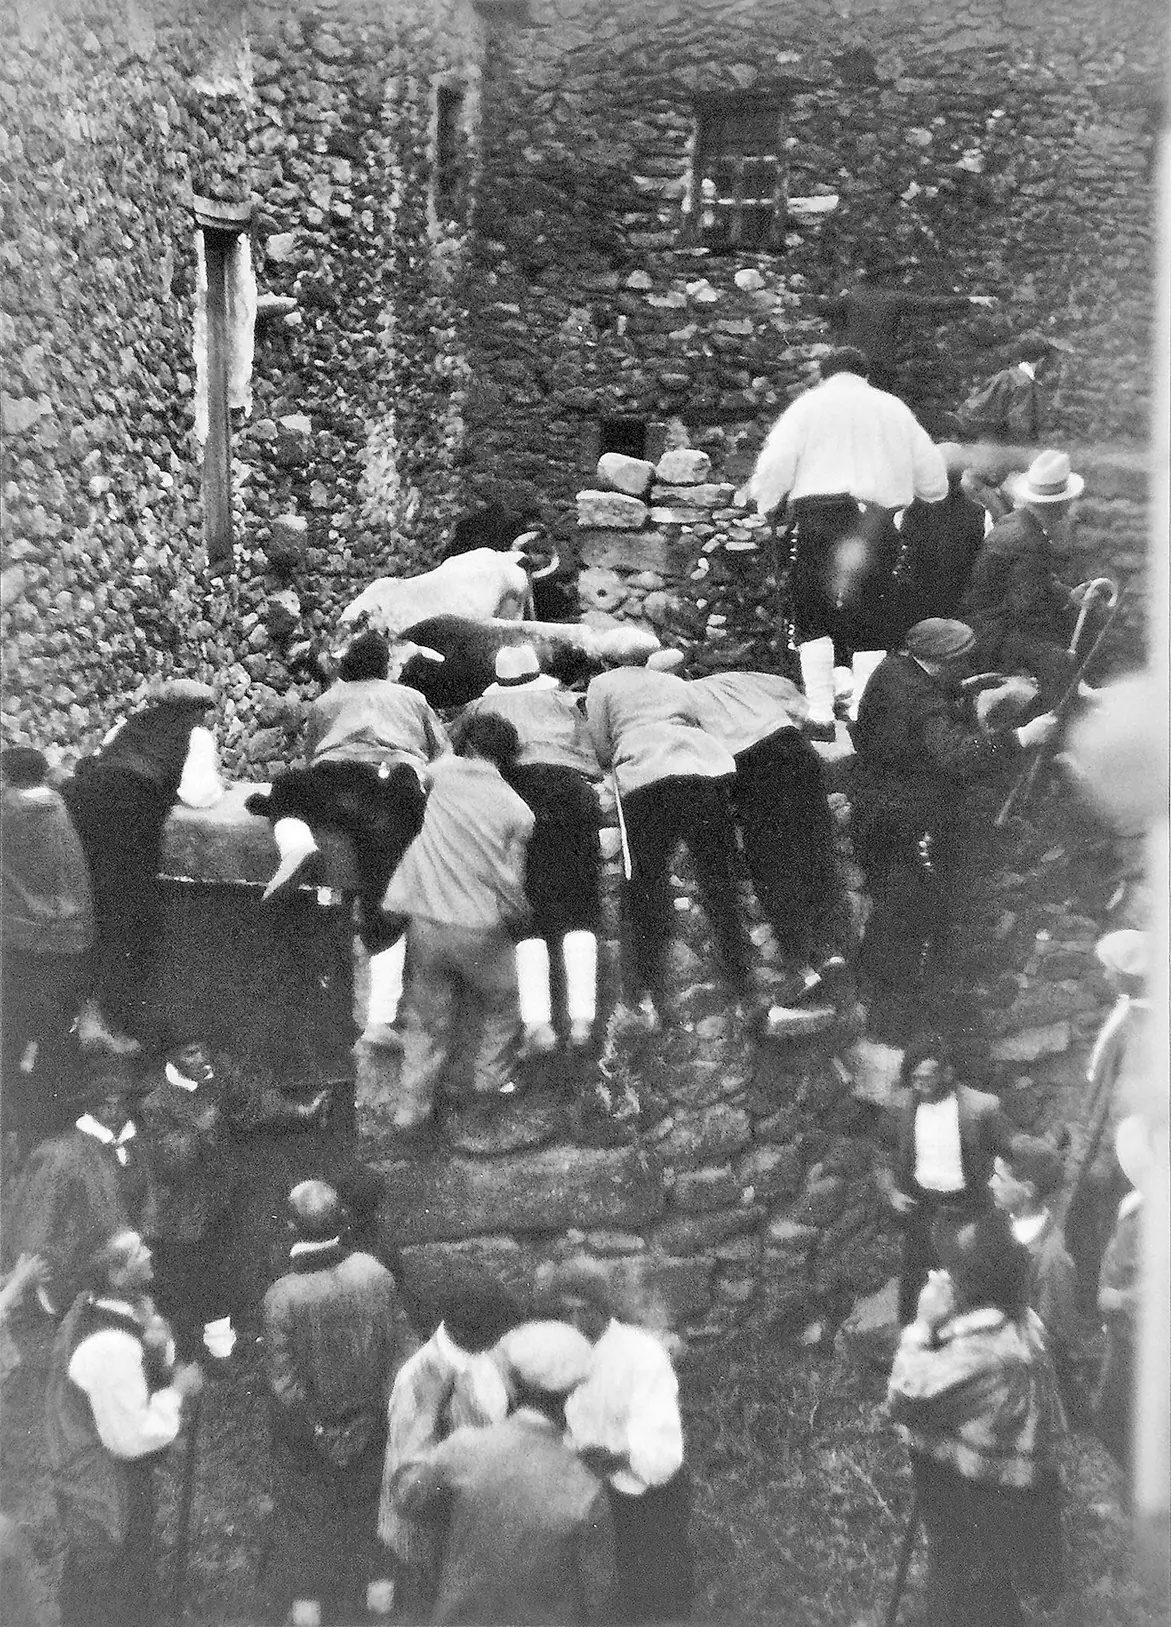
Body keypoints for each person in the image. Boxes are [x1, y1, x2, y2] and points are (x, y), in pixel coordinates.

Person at [850, 617, 1055, 1041]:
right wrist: (1021, 738)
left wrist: (968, 690)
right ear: (941, 662)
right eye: (960, 662)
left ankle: (874, 990)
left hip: (877, 804)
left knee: (896, 907)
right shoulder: (921, 702)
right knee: (913, 911)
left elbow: (927, 706)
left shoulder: (894, 669)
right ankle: (894, 1018)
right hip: (906, 819)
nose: (963, 668)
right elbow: (957, 756)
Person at [246, 629, 450, 1046]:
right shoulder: (411, 698)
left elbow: (310, 755)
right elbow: (441, 755)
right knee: (384, 888)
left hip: (334, 780)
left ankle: (297, 844)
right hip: (393, 783)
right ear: (384, 667)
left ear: (347, 666)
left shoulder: (326, 701)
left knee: (286, 788)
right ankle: (380, 1019)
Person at [747, 347, 948, 733]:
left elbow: (778, 461)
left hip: (821, 520)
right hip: (875, 523)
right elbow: (933, 479)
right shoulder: (893, 409)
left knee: (812, 609)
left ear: (826, 375)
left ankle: (820, 713)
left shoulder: (809, 407)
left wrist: (768, 503)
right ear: (865, 374)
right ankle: (860, 713)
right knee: (871, 612)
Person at [886, 1209, 1068, 1627]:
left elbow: (904, 1398)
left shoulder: (981, 1353)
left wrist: (923, 1326)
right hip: (1015, 1486)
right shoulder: (1021, 1318)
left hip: (978, 1492)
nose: (938, 1274)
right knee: (982, 1582)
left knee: (969, 1586)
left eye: (949, 1268)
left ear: (971, 1282)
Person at [260, 1179, 416, 1625]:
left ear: (292, 1228)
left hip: (312, 1435)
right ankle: (379, 1607)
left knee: (309, 1521)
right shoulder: (374, 1273)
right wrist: (376, 1414)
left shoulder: (282, 1296)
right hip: (373, 1422)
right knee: (372, 1512)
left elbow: (283, 1383)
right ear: (341, 1222)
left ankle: (309, 1614)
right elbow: (405, 1351)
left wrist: (319, 1431)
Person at [585, 649, 762, 1033]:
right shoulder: (673, 682)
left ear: (605, 661)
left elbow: (601, 747)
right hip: (703, 773)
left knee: (643, 886)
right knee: (720, 884)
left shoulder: (602, 685)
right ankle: (745, 986)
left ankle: (644, 995)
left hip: (646, 778)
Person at [397, 1318, 619, 1625]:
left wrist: (426, 1413)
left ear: (511, 1383)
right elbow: (601, 1602)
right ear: (571, 1394)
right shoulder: (585, 1489)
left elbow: (408, 1496)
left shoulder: (465, 1451)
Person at [383, 714, 534, 1145]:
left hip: (427, 922)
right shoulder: (518, 812)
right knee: (505, 1001)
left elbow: (412, 766)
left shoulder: (442, 776)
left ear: (466, 742)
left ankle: (411, 1113)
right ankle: (484, 1091)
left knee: (427, 1020)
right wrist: (522, 917)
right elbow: (511, 881)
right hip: (480, 930)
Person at [45, 1227, 204, 1627]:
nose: (150, 1253)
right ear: (116, 1276)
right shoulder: (110, 1346)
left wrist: (155, 1341)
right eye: (138, 1253)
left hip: (103, 1475)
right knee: (112, 1582)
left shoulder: (101, 1307)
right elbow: (131, 1439)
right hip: (103, 1486)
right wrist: (178, 1394)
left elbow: (142, 1358)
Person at [460, 643, 605, 1055]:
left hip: (513, 795)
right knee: (580, 909)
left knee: (527, 914)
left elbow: (458, 757)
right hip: (569, 791)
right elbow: (596, 754)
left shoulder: (476, 710)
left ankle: (538, 1023)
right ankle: (581, 1020)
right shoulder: (567, 702)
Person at [61, 678, 223, 1044]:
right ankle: (110, 1024)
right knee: (129, 918)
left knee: (91, 908)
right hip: (128, 813)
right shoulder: (195, 736)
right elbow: (197, 793)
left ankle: (79, 1015)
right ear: (199, 710)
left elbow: (99, 759)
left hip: (81, 805)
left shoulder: (127, 724)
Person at [685, 667, 851, 1020]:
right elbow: (799, 704)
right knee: (816, 852)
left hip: (752, 764)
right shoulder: (744, 678)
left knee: (772, 864)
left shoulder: (681, 695)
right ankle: (833, 950)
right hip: (794, 749)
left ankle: (801, 964)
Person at [540, 1258, 692, 1624]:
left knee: (653, 1606)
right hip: (589, 1498)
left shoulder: (642, 1357)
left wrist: (615, 1458)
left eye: (583, 1312)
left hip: (645, 1501)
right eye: (565, 1313)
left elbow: (662, 1453)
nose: (572, 1323)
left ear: (604, 1309)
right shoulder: (559, 1354)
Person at [378, 1273, 530, 1617]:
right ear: (471, 1335)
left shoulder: (488, 1360)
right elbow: (409, 1485)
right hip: (427, 1540)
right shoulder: (416, 1381)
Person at [10, 1053, 155, 1318]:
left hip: (127, 1273)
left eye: (121, 1102)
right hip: (75, 1281)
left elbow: (149, 1205)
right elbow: (35, 1231)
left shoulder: (137, 1146)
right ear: (89, 1104)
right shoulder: (61, 1155)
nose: (113, 1110)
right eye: (104, 1103)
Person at [0, 744, 94, 1153]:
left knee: (11, 1035)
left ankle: (11, 1124)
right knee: (55, 1036)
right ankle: (46, 1128)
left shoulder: (7, 813)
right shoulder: (58, 809)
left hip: (19, 942)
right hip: (66, 941)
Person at [882, 1033, 1009, 1325]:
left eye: (928, 1077)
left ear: (947, 1073)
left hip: (967, 1206)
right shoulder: (901, 1107)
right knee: (916, 1285)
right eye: (915, 1079)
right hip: (922, 1207)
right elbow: (881, 1154)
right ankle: (914, 1350)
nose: (921, 1085)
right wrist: (891, 1191)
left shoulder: (981, 1108)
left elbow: (1006, 1153)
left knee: (966, 1281)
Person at [958, 448, 1100, 707]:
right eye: (1068, 502)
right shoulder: (1031, 541)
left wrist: (1068, 594)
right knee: (1058, 659)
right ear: (1059, 505)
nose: (1070, 508)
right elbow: (1027, 607)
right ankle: (1053, 715)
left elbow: (1033, 583)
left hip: (984, 618)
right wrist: (1063, 611)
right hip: (990, 630)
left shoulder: (1016, 521)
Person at [1067, 929, 1152, 1302]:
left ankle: (1107, 1300)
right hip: (1112, 1147)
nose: (1103, 975)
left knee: (1110, 1226)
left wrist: (1098, 1154)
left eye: (1109, 969)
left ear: (1128, 975)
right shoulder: (1127, 1007)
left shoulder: (1143, 1026)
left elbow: (1116, 1100)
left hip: (1124, 1151)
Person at [990, 1132, 1087, 1419]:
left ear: (1027, 1190)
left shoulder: (1050, 1260)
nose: (990, 1183)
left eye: (1000, 1178)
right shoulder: (1002, 1221)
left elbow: (1053, 1336)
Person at [818, 261, 995, 396]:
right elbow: (930, 304)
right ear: (884, 279)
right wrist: (970, 300)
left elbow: (825, 309)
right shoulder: (893, 298)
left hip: (854, 362)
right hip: (882, 362)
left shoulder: (852, 297)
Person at [1092, 1114, 1150, 1495]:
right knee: (1114, 1416)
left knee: (1112, 1417)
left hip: (1142, 1336)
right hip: (1124, 1332)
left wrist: (1120, 1298)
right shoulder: (1136, 1204)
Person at [884, 443, 990, 641]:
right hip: (959, 617)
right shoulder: (981, 516)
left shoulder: (904, 515)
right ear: (960, 476)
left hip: (912, 617)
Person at [956, 333, 1066, 445]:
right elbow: (1019, 427)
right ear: (1042, 361)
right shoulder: (1020, 383)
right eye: (1051, 362)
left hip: (992, 445)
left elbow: (968, 412)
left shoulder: (1012, 378)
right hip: (998, 449)